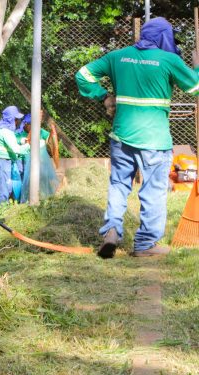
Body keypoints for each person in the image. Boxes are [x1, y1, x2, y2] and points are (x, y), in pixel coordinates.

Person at [76, 17, 199, 258]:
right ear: (165, 38)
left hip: (122, 136)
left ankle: (111, 230)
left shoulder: (117, 56)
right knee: (153, 190)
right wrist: (196, 65)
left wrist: (104, 97)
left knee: (119, 185)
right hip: (155, 140)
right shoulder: (169, 60)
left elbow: (83, 74)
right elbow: (195, 87)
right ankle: (145, 245)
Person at [0, 106, 30, 205]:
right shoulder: (6, 132)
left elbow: (9, 144)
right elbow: (16, 149)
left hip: (1, 160)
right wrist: (29, 145)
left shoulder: (2, 129)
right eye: (16, 119)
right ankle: (2, 212)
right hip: (2, 161)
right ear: (11, 119)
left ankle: (5, 207)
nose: (17, 122)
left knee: (7, 186)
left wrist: (21, 141)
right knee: (3, 187)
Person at [18, 113, 60, 203]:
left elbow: (49, 140)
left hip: (42, 164)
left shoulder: (40, 131)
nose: (34, 127)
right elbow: (23, 143)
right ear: (26, 124)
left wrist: (53, 133)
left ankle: (44, 200)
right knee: (27, 184)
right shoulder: (19, 133)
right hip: (24, 163)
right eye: (32, 125)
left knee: (43, 184)